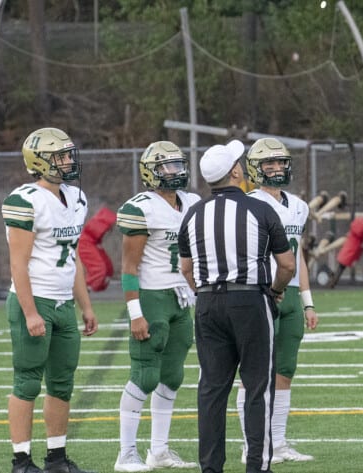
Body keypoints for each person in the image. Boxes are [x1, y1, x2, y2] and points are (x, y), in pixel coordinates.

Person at [178, 139, 296, 473]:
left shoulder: (194, 213)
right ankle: (257, 466)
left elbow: (186, 269)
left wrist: (205, 295)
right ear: (234, 171)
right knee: (258, 388)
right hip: (250, 300)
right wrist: (274, 292)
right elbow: (287, 265)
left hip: (207, 303)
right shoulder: (260, 209)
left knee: (212, 391)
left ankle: (211, 468)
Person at [2, 127, 98, 473]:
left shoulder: (76, 198)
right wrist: (29, 312)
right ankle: (21, 460)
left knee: (62, 382)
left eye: (69, 154)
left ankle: (56, 458)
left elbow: (71, 258)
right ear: (38, 162)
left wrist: (85, 305)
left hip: (63, 304)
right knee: (27, 381)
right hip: (35, 300)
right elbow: (18, 263)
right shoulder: (25, 199)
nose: (69, 161)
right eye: (60, 156)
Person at [113, 141, 200, 472]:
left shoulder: (192, 202)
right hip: (151, 296)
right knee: (145, 374)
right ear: (150, 172)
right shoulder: (140, 207)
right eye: (166, 166)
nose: (174, 172)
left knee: (173, 375)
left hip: (181, 297)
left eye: (178, 165)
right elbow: (129, 268)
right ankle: (126, 453)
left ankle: (159, 450)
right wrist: (136, 313)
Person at [236, 138, 319, 464]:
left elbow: (297, 255)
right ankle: (250, 446)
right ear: (255, 168)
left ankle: (279, 442)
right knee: (254, 373)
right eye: (268, 163)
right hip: (261, 292)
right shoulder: (247, 203)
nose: (276, 168)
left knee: (285, 371)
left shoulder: (298, 205)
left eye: (280, 162)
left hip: (292, 294)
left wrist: (308, 301)